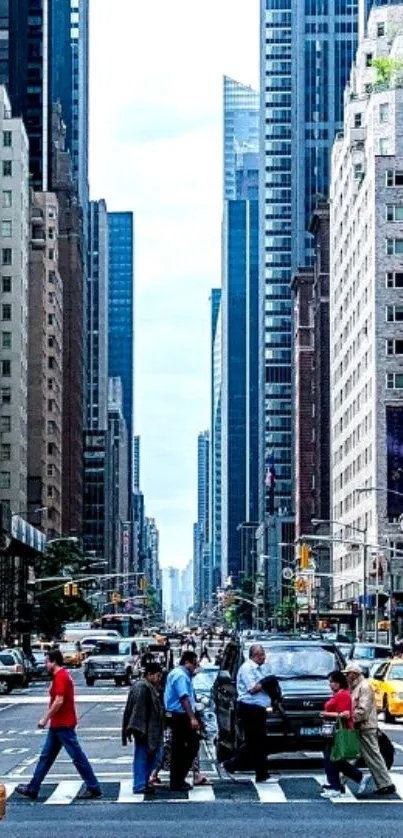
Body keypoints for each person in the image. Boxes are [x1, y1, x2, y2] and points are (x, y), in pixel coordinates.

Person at [15, 649, 102, 800]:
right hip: (58, 724)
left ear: (54, 661)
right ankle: (33, 787)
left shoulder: (61, 676)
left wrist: (45, 718)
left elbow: (59, 700)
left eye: (47, 661)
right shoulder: (59, 676)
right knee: (46, 757)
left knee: (77, 757)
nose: (45, 664)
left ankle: (93, 787)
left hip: (63, 723)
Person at [344, 662, 396, 796]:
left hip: (364, 727)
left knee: (371, 756)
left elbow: (363, 709)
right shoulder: (356, 687)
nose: (346, 676)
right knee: (355, 756)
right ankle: (338, 783)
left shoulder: (364, 687)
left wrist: (351, 720)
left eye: (347, 674)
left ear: (354, 674)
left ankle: (386, 784)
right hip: (360, 727)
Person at [222, 644, 270, 783]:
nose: (263, 657)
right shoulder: (247, 668)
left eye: (263, 653)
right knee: (255, 741)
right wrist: (265, 682)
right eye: (261, 654)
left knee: (258, 741)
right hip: (250, 707)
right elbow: (252, 689)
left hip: (259, 708)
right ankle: (233, 764)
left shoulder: (260, 668)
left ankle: (261, 772)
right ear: (254, 655)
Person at [320, 670, 366, 799]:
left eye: (333, 682)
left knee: (331, 759)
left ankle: (337, 786)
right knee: (335, 759)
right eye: (330, 682)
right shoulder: (339, 694)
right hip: (333, 731)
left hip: (340, 731)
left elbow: (346, 714)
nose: (331, 685)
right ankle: (345, 781)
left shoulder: (343, 695)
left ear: (339, 682)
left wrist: (326, 714)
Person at [122, 661, 164, 794]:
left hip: (148, 728)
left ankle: (143, 782)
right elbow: (138, 710)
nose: (159, 679)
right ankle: (140, 784)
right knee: (143, 757)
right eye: (158, 675)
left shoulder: (144, 686)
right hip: (144, 729)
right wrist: (138, 728)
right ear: (150, 674)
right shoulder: (143, 687)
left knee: (152, 756)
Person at [164, 650, 200, 791]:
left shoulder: (178, 673)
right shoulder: (181, 676)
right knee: (190, 746)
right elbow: (184, 698)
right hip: (181, 715)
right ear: (187, 662)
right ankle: (178, 778)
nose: (195, 667)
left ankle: (177, 779)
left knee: (180, 748)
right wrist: (192, 718)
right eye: (194, 664)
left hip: (177, 715)